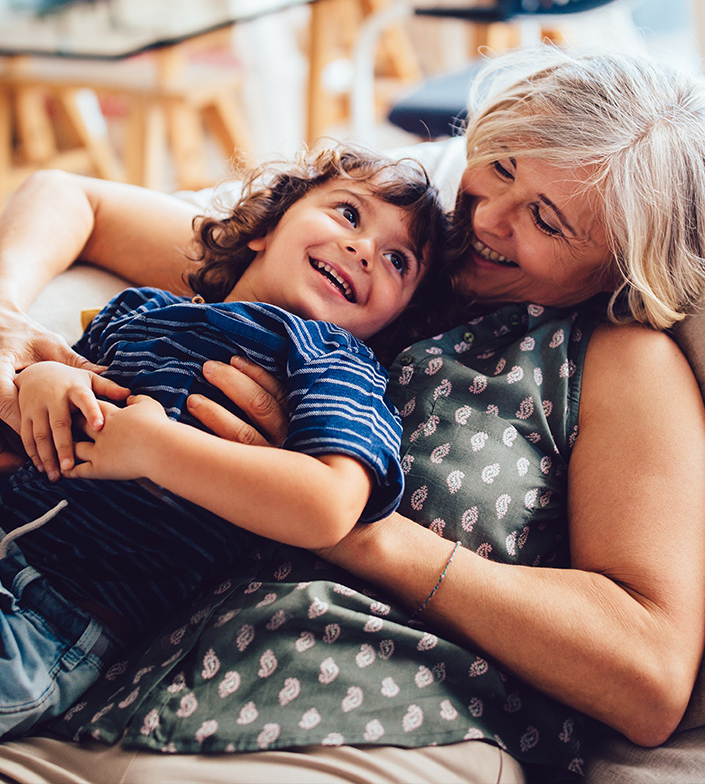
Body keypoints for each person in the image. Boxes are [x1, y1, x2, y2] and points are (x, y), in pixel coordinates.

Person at [0, 47, 705, 782]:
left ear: (623, 262)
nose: (485, 218)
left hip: (369, 719)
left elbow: (648, 675)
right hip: (118, 702)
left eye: (546, 221)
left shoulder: (619, 362)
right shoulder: (372, 277)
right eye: (503, 166)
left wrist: (329, 508)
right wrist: (6, 327)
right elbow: (76, 201)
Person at [0, 142, 451, 739]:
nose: (363, 249)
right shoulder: (143, 310)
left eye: (399, 262)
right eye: (348, 214)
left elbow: (329, 506)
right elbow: (59, 400)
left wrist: (156, 450)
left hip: (51, 618)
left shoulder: (333, 363)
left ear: (394, 320)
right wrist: (41, 380)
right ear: (266, 226)